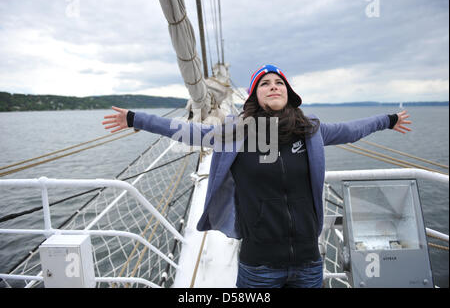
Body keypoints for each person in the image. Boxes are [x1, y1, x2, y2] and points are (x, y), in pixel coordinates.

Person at [102, 64, 412, 288]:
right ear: (255, 96)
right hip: (259, 265)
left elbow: (352, 130)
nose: (274, 86)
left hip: (308, 262)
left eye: (279, 82)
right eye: (265, 83)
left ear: (289, 93)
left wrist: (388, 119)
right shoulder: (235, 134)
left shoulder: (311, 131)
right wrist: (134, 118)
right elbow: (187, 131)